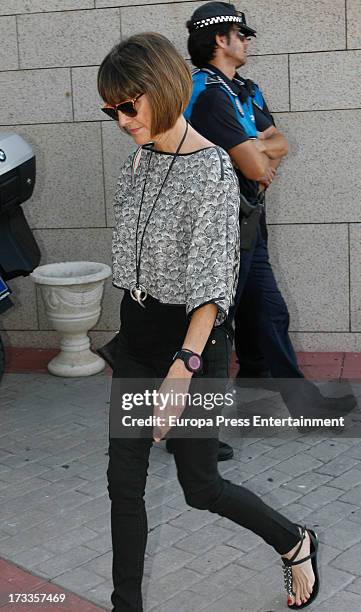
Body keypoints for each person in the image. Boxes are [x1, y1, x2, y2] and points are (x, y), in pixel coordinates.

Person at [98, 32, 319, 612]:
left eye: (129, 105)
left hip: (193, 346)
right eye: (111, 109)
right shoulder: (139, 162)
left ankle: (294, 541)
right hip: (139, 335)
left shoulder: (213, 170)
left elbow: (213, 286)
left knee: (201, 487)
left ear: (166, 91)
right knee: (123, 484)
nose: (121, 119)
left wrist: (182, 371)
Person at [185, 1, 356, 424]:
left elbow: (278, 141)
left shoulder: (243, 89)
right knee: (212, 328)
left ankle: (286, 399)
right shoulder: (206, 94)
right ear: (219, 39)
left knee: (268, 313)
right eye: (242, 35)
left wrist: (259, 151)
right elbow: (258, 165)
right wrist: (260, 155)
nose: (247, 43)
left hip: (249, 224)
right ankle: (190, 429)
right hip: (216, 230)